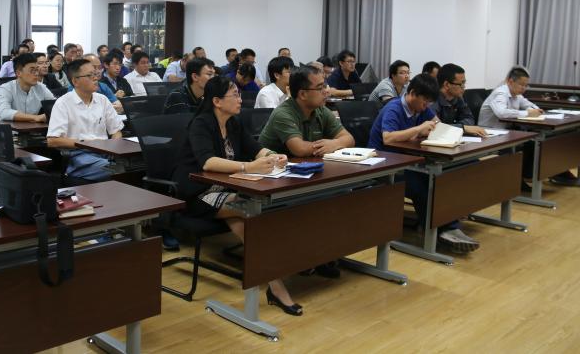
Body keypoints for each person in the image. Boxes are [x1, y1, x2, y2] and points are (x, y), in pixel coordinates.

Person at [172, 76, 300, 315]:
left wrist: (273, 155)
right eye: (235, 95)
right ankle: (277, 284)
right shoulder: (201, 124)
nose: (240, 100)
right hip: (198, 193)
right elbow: (208, 162)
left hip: (227, 189)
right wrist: (247, 167)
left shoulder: (234, 123)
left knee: (246, 220)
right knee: (252, 212)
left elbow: (255, 148)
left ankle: (275, 282)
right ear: (217, 101)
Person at [259, 64, 355, 277]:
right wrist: (329, 144)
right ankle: (305, 257)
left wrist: (333, 144)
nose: (326, 91)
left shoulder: (320, 109)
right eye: (320, 88)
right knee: (318, 202)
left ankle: (321, 255)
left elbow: (348, 138)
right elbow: (299, 149)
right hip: (273, 182)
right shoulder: (284, 112)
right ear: (302, 94)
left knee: (341, 194)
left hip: (305, 176)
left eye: (325, 86)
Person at [368, 74, 479, 253]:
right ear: (412, 93)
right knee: (423, 184)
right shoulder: (394, 108)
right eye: (424, 101)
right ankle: (442, 230)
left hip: (407, 161)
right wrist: (419, 129)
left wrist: (439, 130)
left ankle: (447, 227)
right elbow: (388, 138)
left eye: (429, 102)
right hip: (385, 165)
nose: (426, 106)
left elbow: (439, 125)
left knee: (441, 179)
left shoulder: (421, 108)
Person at [47, 59, 124, 183]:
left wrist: (114, 149)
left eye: (96, 74)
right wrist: (88, 143)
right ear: (75, 81)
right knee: (116, 171)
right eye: (90, 75)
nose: (95, 78)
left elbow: (116, 131)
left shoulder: (102, 100)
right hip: (78, 154)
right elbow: (53, 140)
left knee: (135, 166)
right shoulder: (63, 103)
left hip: (105, 152)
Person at [430, 63, 488, 137]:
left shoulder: (458, 97)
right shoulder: (432, 100)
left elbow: (469, 119)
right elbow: (437, 128)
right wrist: (463, 128)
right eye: (461, 84)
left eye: (464, 83)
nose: (464, 87)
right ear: (446, 85)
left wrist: (458, 127)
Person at [0, 53, 56, 123]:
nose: (36, 74)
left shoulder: (41, 87)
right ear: (18, 73)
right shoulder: (6, 88)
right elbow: (4, 112)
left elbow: (56, 105)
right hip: (8, 128)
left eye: (37, 70)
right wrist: (36, 118)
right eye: (32, 71)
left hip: (32, 128)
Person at [478, 66, 543, 129]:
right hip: (488, 131)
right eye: (521, 84)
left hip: (506, 130)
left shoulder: (517, 94)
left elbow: (530, 105)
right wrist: (527, 113)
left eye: (526, 85)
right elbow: (501, 113)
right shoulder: (500, 93)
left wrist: (534, 110)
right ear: (510, 82)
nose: (524, 88)